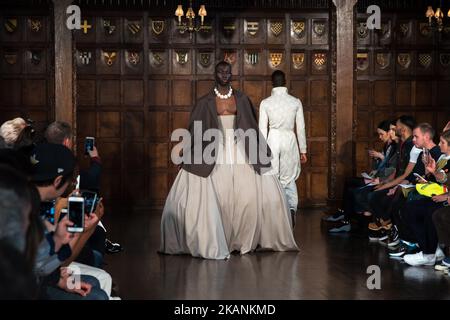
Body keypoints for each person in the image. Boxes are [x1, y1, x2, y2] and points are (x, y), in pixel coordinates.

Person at [159, 61, 298, 260]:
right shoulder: (205, 101)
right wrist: (186, 153)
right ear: (215, 74)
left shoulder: (241, 99)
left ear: (231, 74)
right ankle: (220, 237)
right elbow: (195, 129)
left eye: (227, 71)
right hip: (214, 149)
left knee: (246, 197)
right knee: (218, 195)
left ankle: (240, 239)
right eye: (220, 71)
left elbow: (251, 125)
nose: (224, 74)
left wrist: (262, 150)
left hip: (240, 148)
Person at [44, 121, 122, 255]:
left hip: (45, 218)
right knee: (97, 235)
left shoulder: (39, 157)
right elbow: (89, 179)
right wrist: (95, 159)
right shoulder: (66, 161)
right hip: (62, 216)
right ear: (67, 142)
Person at [259, 70, 307, 228]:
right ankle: (291, 209)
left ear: (272, 83)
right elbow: (300, 128)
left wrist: (262, 151)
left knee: (272, 178)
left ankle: (274, 216)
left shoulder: (266, 103)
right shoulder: (295, 102)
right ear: (285, 81)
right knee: (289, 179)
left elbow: (262, 129)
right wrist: (303, 150)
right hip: (289, 139)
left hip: (273, 139)